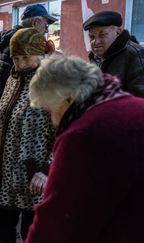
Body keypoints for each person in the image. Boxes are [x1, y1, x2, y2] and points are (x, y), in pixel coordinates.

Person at [25, 56, 144, 243]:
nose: (54, 122)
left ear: (67, 98)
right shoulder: (134, 106)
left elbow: (57, 220)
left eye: (50, 111)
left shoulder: (83, 135)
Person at [0, 28, 55, 243]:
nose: (20, 63)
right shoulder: (13, 79)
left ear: (39, 54)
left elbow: (65, 132)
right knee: (2, 231)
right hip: (5, 176)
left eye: (25, 57)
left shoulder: (52, 83)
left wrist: (46, 170)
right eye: (16, 58)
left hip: (34, 179)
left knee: (32, 235)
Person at [0, 3, 57, 105]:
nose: (46, 30)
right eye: (45, 25)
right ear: (35, 22)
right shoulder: (21, 46)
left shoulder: (13, 42)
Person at [83, 10, 144, 97]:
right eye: (92, 37)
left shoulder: (135, 54)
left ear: (118, 32)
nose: (95, 42)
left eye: (102, 35)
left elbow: (140, 100)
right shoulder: (95, 57)